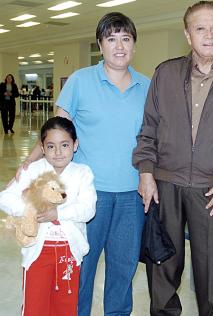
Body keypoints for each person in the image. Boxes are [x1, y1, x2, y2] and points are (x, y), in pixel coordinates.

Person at [16, 12, 150, 316]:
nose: (119, 46)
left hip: (132, 196)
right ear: (100, 45)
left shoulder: (147, 86)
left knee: (123, 268)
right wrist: (28, 163)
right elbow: (57, 132)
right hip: (87, 195)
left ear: (134, 45)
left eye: (125, 39)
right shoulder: (80, 81)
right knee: (81, 268)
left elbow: (153, 139)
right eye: (111, 39)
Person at [132, 1, 213, 315]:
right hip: (165, 185)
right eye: (200, 28)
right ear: (187, 35)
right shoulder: (165, 73)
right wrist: (146, 172)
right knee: (162, 268)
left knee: (212, 274)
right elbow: (148, 127)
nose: (209, 35)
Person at [0, 116, 96, 315]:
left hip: (69, 252)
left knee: (65, 307)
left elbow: (88, 209)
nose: (58, 152)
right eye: (51, 146)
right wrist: (31, 209)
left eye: (64, 145)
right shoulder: (32, 171)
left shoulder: (82, 173)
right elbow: (5, 198)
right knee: (35, 307)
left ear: (75, 145)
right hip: (37, 252)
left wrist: (57, 213)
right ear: (42, 148)